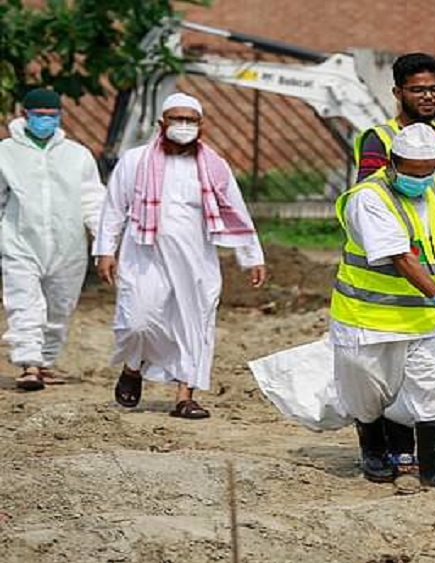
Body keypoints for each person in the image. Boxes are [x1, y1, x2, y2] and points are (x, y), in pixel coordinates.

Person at [94, 93, 267, 420]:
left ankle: (185, 395)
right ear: (162, 123)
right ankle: (134, 367)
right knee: (137, 322)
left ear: (202, 126)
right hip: (143, 256)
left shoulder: (215, 167)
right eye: (177, 119)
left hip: (195, 258)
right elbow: (114, 208)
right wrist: (105, 250)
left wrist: (251, 256)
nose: (183, 126)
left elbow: (236, 212)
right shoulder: (135, 161)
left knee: (195, 323)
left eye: (191, 120)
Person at [351, 52, 435, 479]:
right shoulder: (380, 138)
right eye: (418, 89)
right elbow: (373, 206)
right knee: (386, 372)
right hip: (394, 275)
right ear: (398, 92)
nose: (428, 97)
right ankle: (393, 448)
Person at [332, 123, 435, 490]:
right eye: (412, 172)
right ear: (392, 164)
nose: (420, 180)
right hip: (371, 319)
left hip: (426, 320)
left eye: (427, 173)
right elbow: (400, 257)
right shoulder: (370, 198)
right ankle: (375, 450)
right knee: (370, 395)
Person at [0, 88, 106, 391]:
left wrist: (104, 240)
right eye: (39, 116)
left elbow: (92, 200)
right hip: (20, 241)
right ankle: (28, 364)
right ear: (24, 115)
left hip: (68, 245)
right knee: (24, 303)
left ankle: (44, 362)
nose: (45, 121)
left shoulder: (76, 155)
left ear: (60, 116)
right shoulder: (6, 153)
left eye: (51, 116)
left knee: (60, 307)